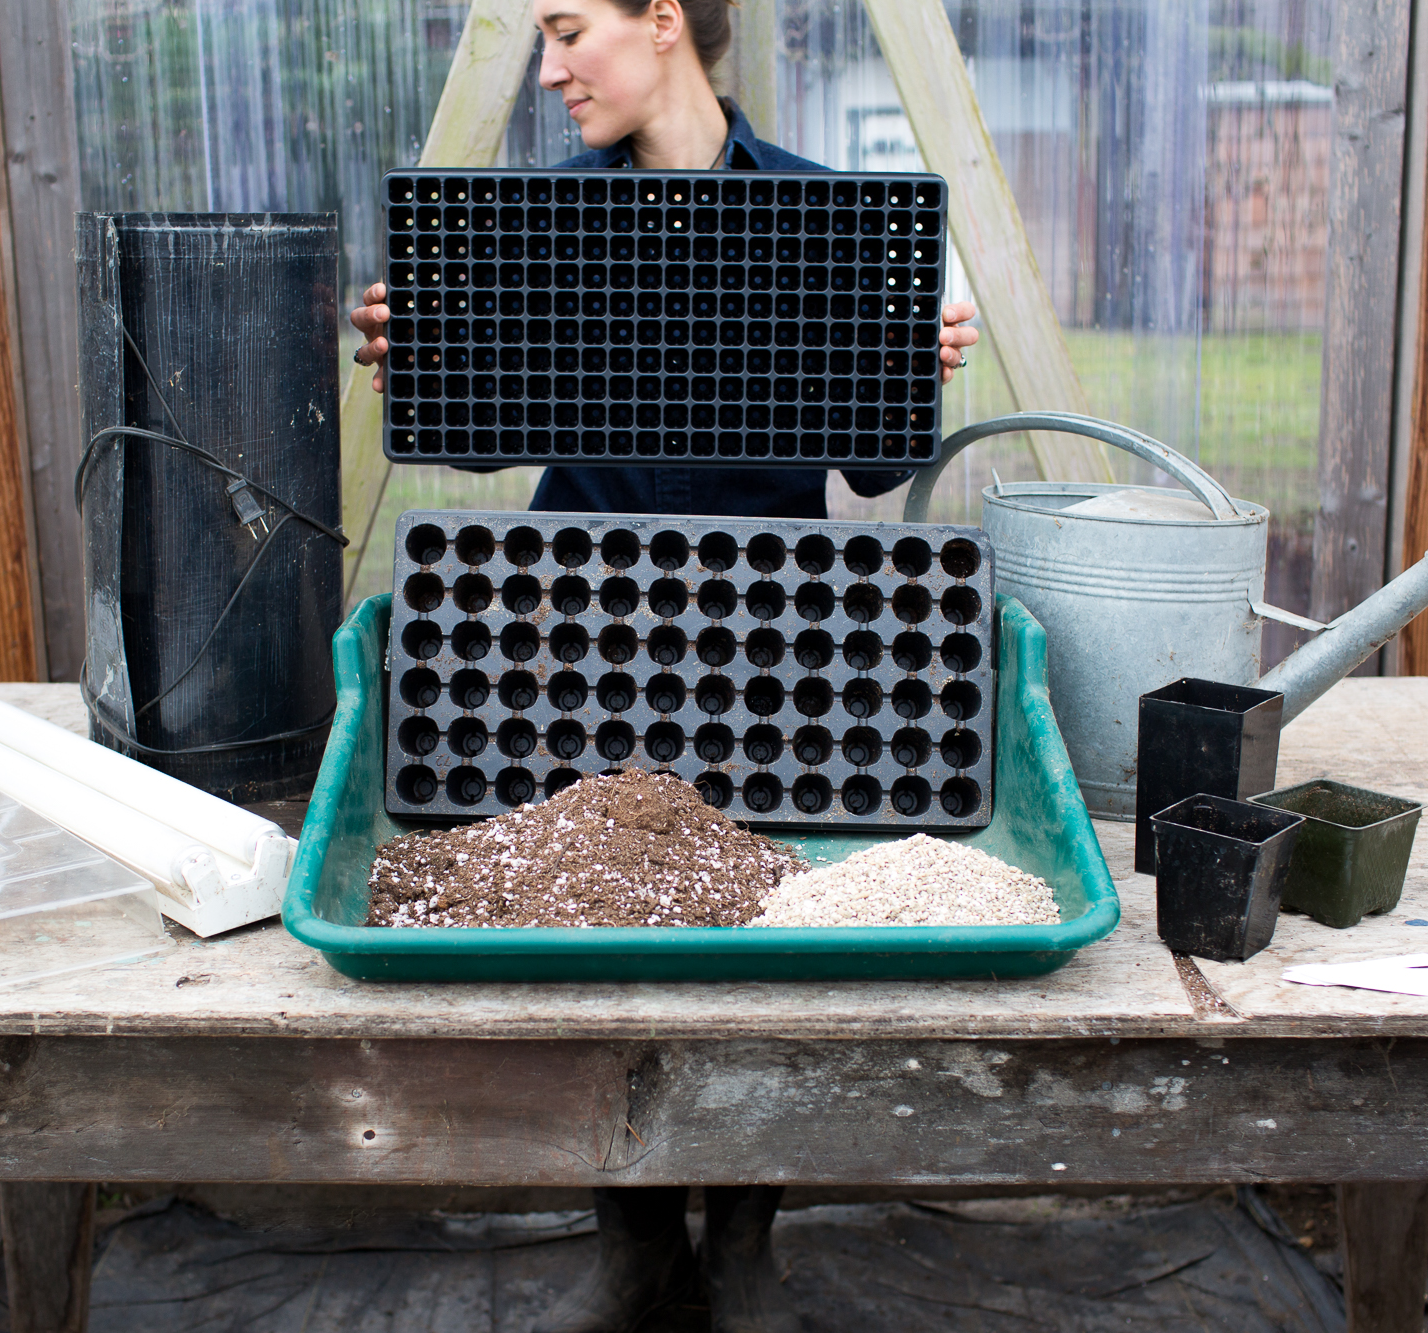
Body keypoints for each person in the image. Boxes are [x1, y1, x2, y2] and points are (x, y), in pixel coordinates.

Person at [349, 3, 980, 1329]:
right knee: (602, 941)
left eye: (573, 27)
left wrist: (913, 369)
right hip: (574, 644)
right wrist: (421, 361)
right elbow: (469, 439)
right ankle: (634, 1241)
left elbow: (868, 467)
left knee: (759, 946)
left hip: (770, 647)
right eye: (542, 36)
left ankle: (743, 1238)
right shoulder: (539, 220)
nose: (551, 65)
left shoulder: (819, 216)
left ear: (668, 22)